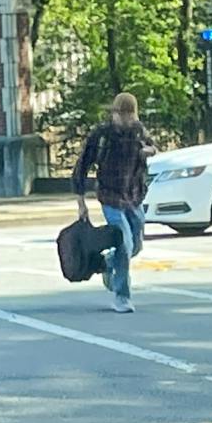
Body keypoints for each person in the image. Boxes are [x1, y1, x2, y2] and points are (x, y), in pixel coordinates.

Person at [72, 92, 155, 313]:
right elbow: (82, 166)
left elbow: (152, 146)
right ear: (114, 113)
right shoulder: (102, 136)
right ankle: (122, 296)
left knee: (135, 245)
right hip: (111, 197)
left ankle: (108, 263)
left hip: (134, 196)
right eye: (122, 114)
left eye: (130, 114)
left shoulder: (138, 130)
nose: (127, 119)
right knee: (124, 243)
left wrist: (148, 151)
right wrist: (81, 202)